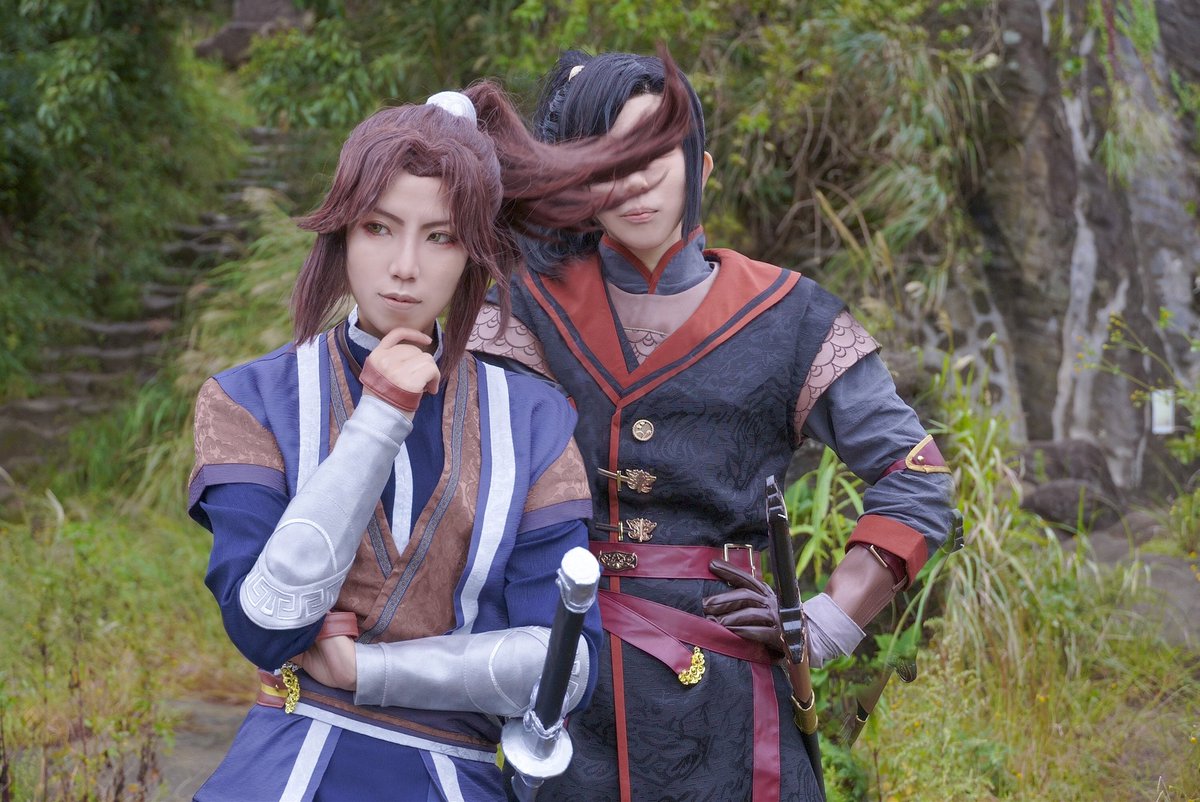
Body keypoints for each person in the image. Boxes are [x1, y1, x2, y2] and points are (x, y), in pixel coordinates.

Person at [186, 74, 693, 801]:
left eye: (440, 237)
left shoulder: (533, 419)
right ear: (341, 231)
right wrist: (382, 411)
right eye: (378, 227)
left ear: (473, 254)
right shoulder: (249, 398)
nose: (404, 267)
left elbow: (565, 667)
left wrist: (368, 670)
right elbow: (264, 623)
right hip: (287, 770)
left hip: (455, 774)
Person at [467, 51, 957, 801]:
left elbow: (915, 475)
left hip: (732, 698)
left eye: (655, 153)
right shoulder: (521, 308)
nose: (634, 181)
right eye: (608, 158)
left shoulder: (791, 316)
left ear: (701, 167)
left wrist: (826, 622)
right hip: (565, 680)